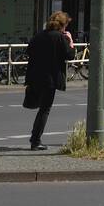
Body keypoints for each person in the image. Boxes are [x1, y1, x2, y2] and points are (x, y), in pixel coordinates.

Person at [23, 12, 72, 150]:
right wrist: (70, 41)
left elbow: (29, 52)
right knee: (45, 109)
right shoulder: (59, 38)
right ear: (62, 25)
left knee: (40, 107)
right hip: (50, 79)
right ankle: (35, 140)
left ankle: (35, 139)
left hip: (34, 76)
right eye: (66, 25)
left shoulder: (39, 36)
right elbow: (69, 55)